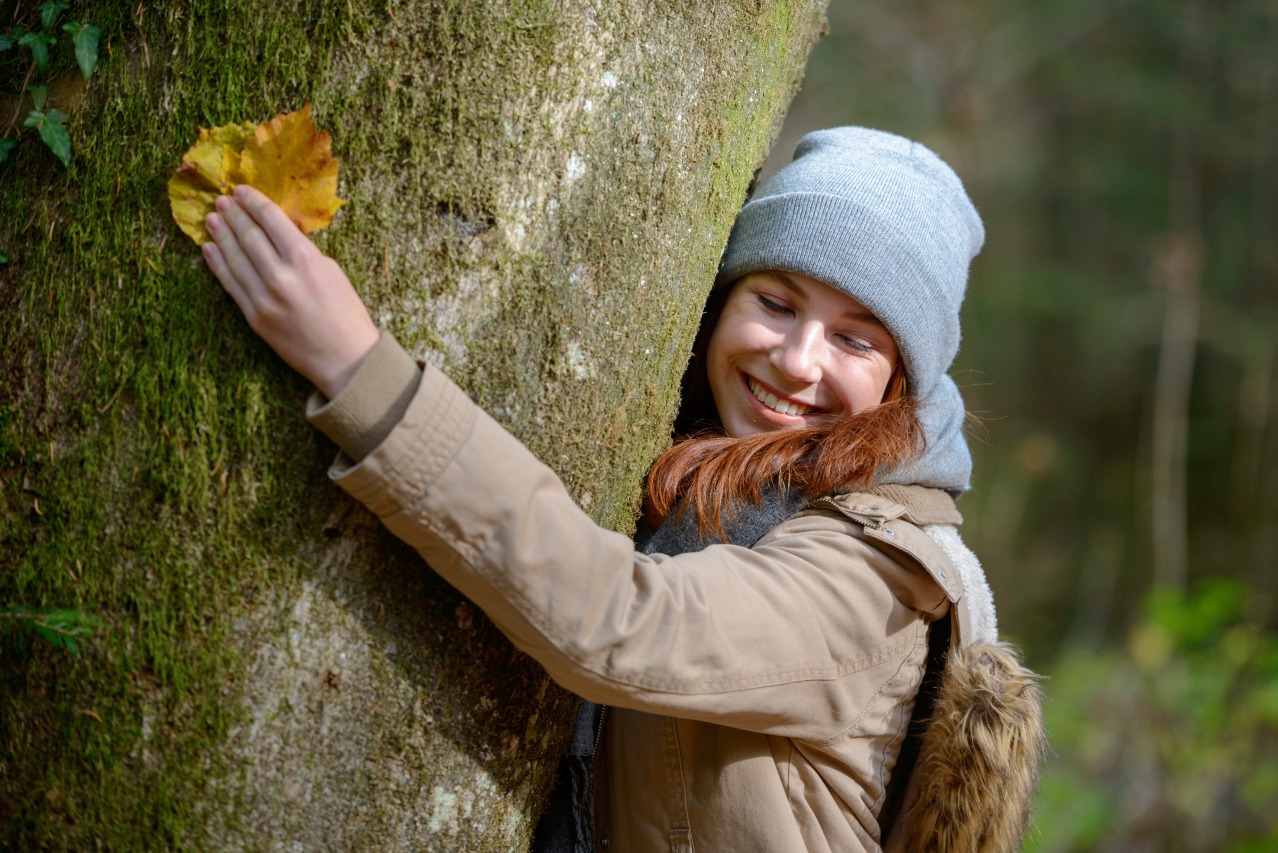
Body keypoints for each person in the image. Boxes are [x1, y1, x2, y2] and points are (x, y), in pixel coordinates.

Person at [200, 127, 1044, 852]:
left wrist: (359, 369)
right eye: (777, 302)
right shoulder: (707, 474)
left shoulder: (879, 574)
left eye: (855, 340)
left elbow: (627, 621)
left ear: (902, 382)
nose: (797, 360)